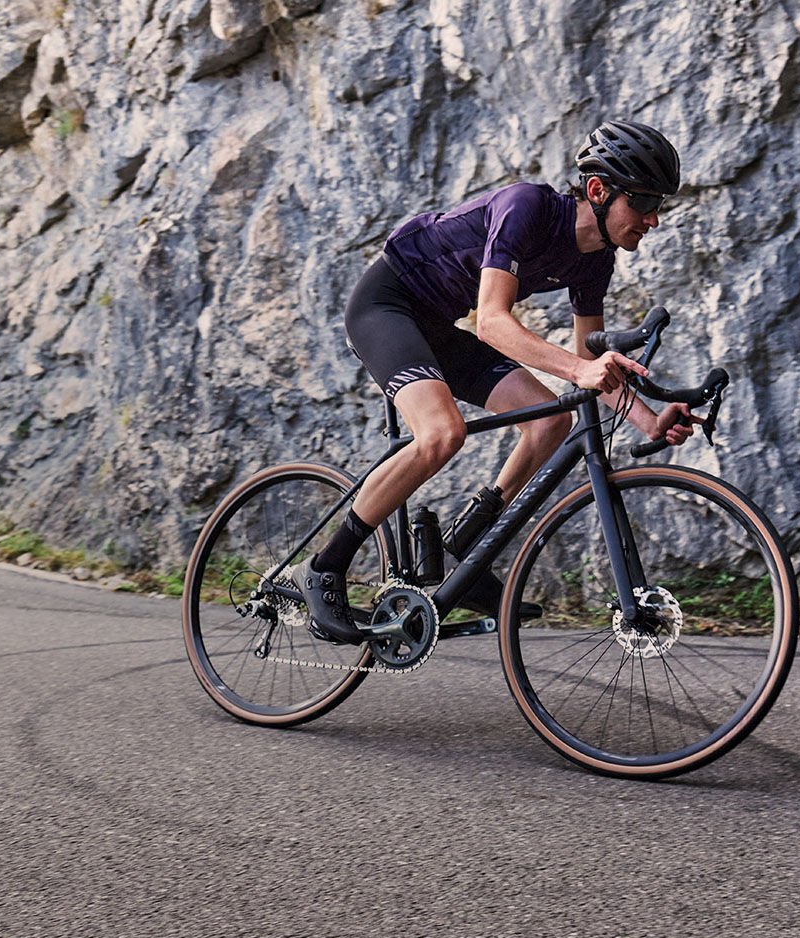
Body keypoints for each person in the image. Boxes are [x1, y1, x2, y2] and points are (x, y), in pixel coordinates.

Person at [297, 119, 705, 643]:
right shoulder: (527, 207)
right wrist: (581, 369)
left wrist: (649, 421)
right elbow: (492, 321)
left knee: (553, 422)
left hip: (439, 325)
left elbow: (591, 364)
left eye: (659, 206)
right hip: (387, 306)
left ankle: (461, 547)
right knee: (442, 433)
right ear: (599, 191)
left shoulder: (595, 259)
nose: (653, 219)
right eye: (645, 202)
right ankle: (325, 569)